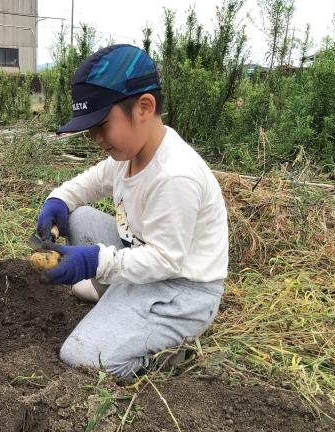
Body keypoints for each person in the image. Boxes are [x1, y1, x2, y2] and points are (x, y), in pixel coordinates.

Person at [35, 44, 229, 378]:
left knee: (81, 357)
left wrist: (95, 261)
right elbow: (89, 183)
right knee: (80, 216)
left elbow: (167, 260)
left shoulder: (174, 175)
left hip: (182, 291)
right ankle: (119, 301)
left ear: (144, 107)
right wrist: (58, 201)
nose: (96, 137)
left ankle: (169, 347)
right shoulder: (127, 157)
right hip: (144, 259)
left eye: (102, 124)